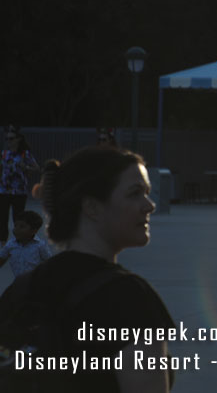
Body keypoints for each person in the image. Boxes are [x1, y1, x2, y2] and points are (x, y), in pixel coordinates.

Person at [0, 146, 175, 392]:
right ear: (91, 207)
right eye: (135, 194)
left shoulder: (21, 290)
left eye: (146, 193)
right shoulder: (129, 299)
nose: (149, 205)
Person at [1, 125, 39, 243]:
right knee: (2, 218)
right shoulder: (4, 154)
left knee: (18, 219)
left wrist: (25, 167)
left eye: (11, 139)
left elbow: (36, 168)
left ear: (18, 139)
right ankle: (2, 243)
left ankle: (18, 242)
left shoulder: (24, 154)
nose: (8, 141)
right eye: (7, 139)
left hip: (19, 191)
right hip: (4, 191)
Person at [0, 209, 51, 277]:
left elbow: (50, 262)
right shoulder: (11, 244)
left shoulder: (40, 246)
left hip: (36, 282)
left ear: (34, 231)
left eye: (22, 226)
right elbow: (2, 258)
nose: (16, 229)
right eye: (15, 225)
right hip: (19, 282)